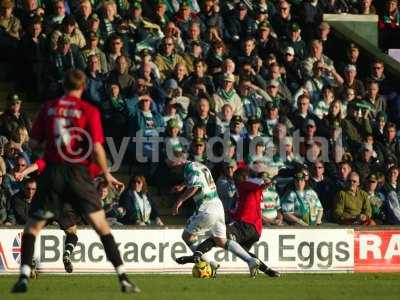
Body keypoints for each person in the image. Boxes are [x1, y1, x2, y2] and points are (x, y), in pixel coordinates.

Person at [11, 69, 140, 294]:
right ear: (83, 87)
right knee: (101, 226)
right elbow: (98, 147)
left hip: (53, 173)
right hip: (79, 174)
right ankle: (123, 278)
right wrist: (107, 174)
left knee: (32, 228)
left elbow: (32, 144)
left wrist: (48, 149)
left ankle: (23, 276)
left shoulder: (49, 108)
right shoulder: (89, 110)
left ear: (64, 86)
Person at [175, 163, 280, 277]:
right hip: (255, 228)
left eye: (235, 180)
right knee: (225, 242)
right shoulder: (242, 191)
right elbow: (258, 188)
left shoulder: (243, 185)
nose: (234, 182)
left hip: (244, 223)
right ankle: (265, 269)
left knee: (201, 238)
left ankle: (200, 257)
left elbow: (257, 185)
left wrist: (179, 200)